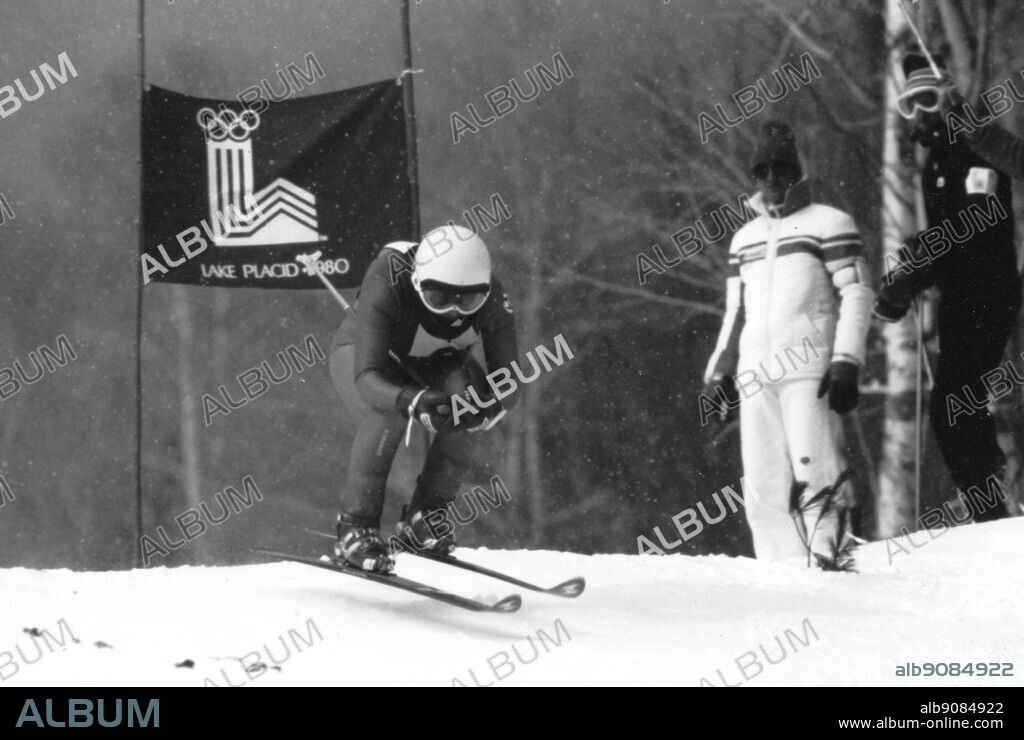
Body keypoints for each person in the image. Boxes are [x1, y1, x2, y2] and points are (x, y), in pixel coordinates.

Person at [703, 120, 874, 562]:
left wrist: (846, 361)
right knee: (761, 482)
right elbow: (735, 312)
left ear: (796, 173)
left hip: (808, 367)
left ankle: (829, 559)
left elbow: (856, 292)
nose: (772, 179)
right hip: (755, 374)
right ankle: (779, 575)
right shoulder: (744, 239)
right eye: (763, 171)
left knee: (813, 469)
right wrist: (719, 372)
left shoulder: (829, 223)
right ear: (754, 177)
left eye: (781, 169)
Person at [874, 53, 1020, 522]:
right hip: (959, 297)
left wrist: (915, 273)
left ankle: (989, 512)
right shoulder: (934, 160)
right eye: (910, 105)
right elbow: (947, 235)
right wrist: (916, 262)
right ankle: (991, 502)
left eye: (928, 100)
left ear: (949, 98)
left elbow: (974, 233)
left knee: (952, 403)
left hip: (989, 291)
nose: (920, 115)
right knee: (960, 402)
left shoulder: (976, 150)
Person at [328, 224, 518, 572]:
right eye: (439, 298)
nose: (455, 311)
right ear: (417, 284)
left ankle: (427, 515)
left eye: (468, 299)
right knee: (387, 411)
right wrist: (411, 399)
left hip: (435, 365)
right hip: (366, 359)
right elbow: (367, 376)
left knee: (470, 404)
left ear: (484, 290)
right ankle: (356, 527)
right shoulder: (389, 275)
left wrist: (493, 405)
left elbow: (509, 379)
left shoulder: (492, 294)